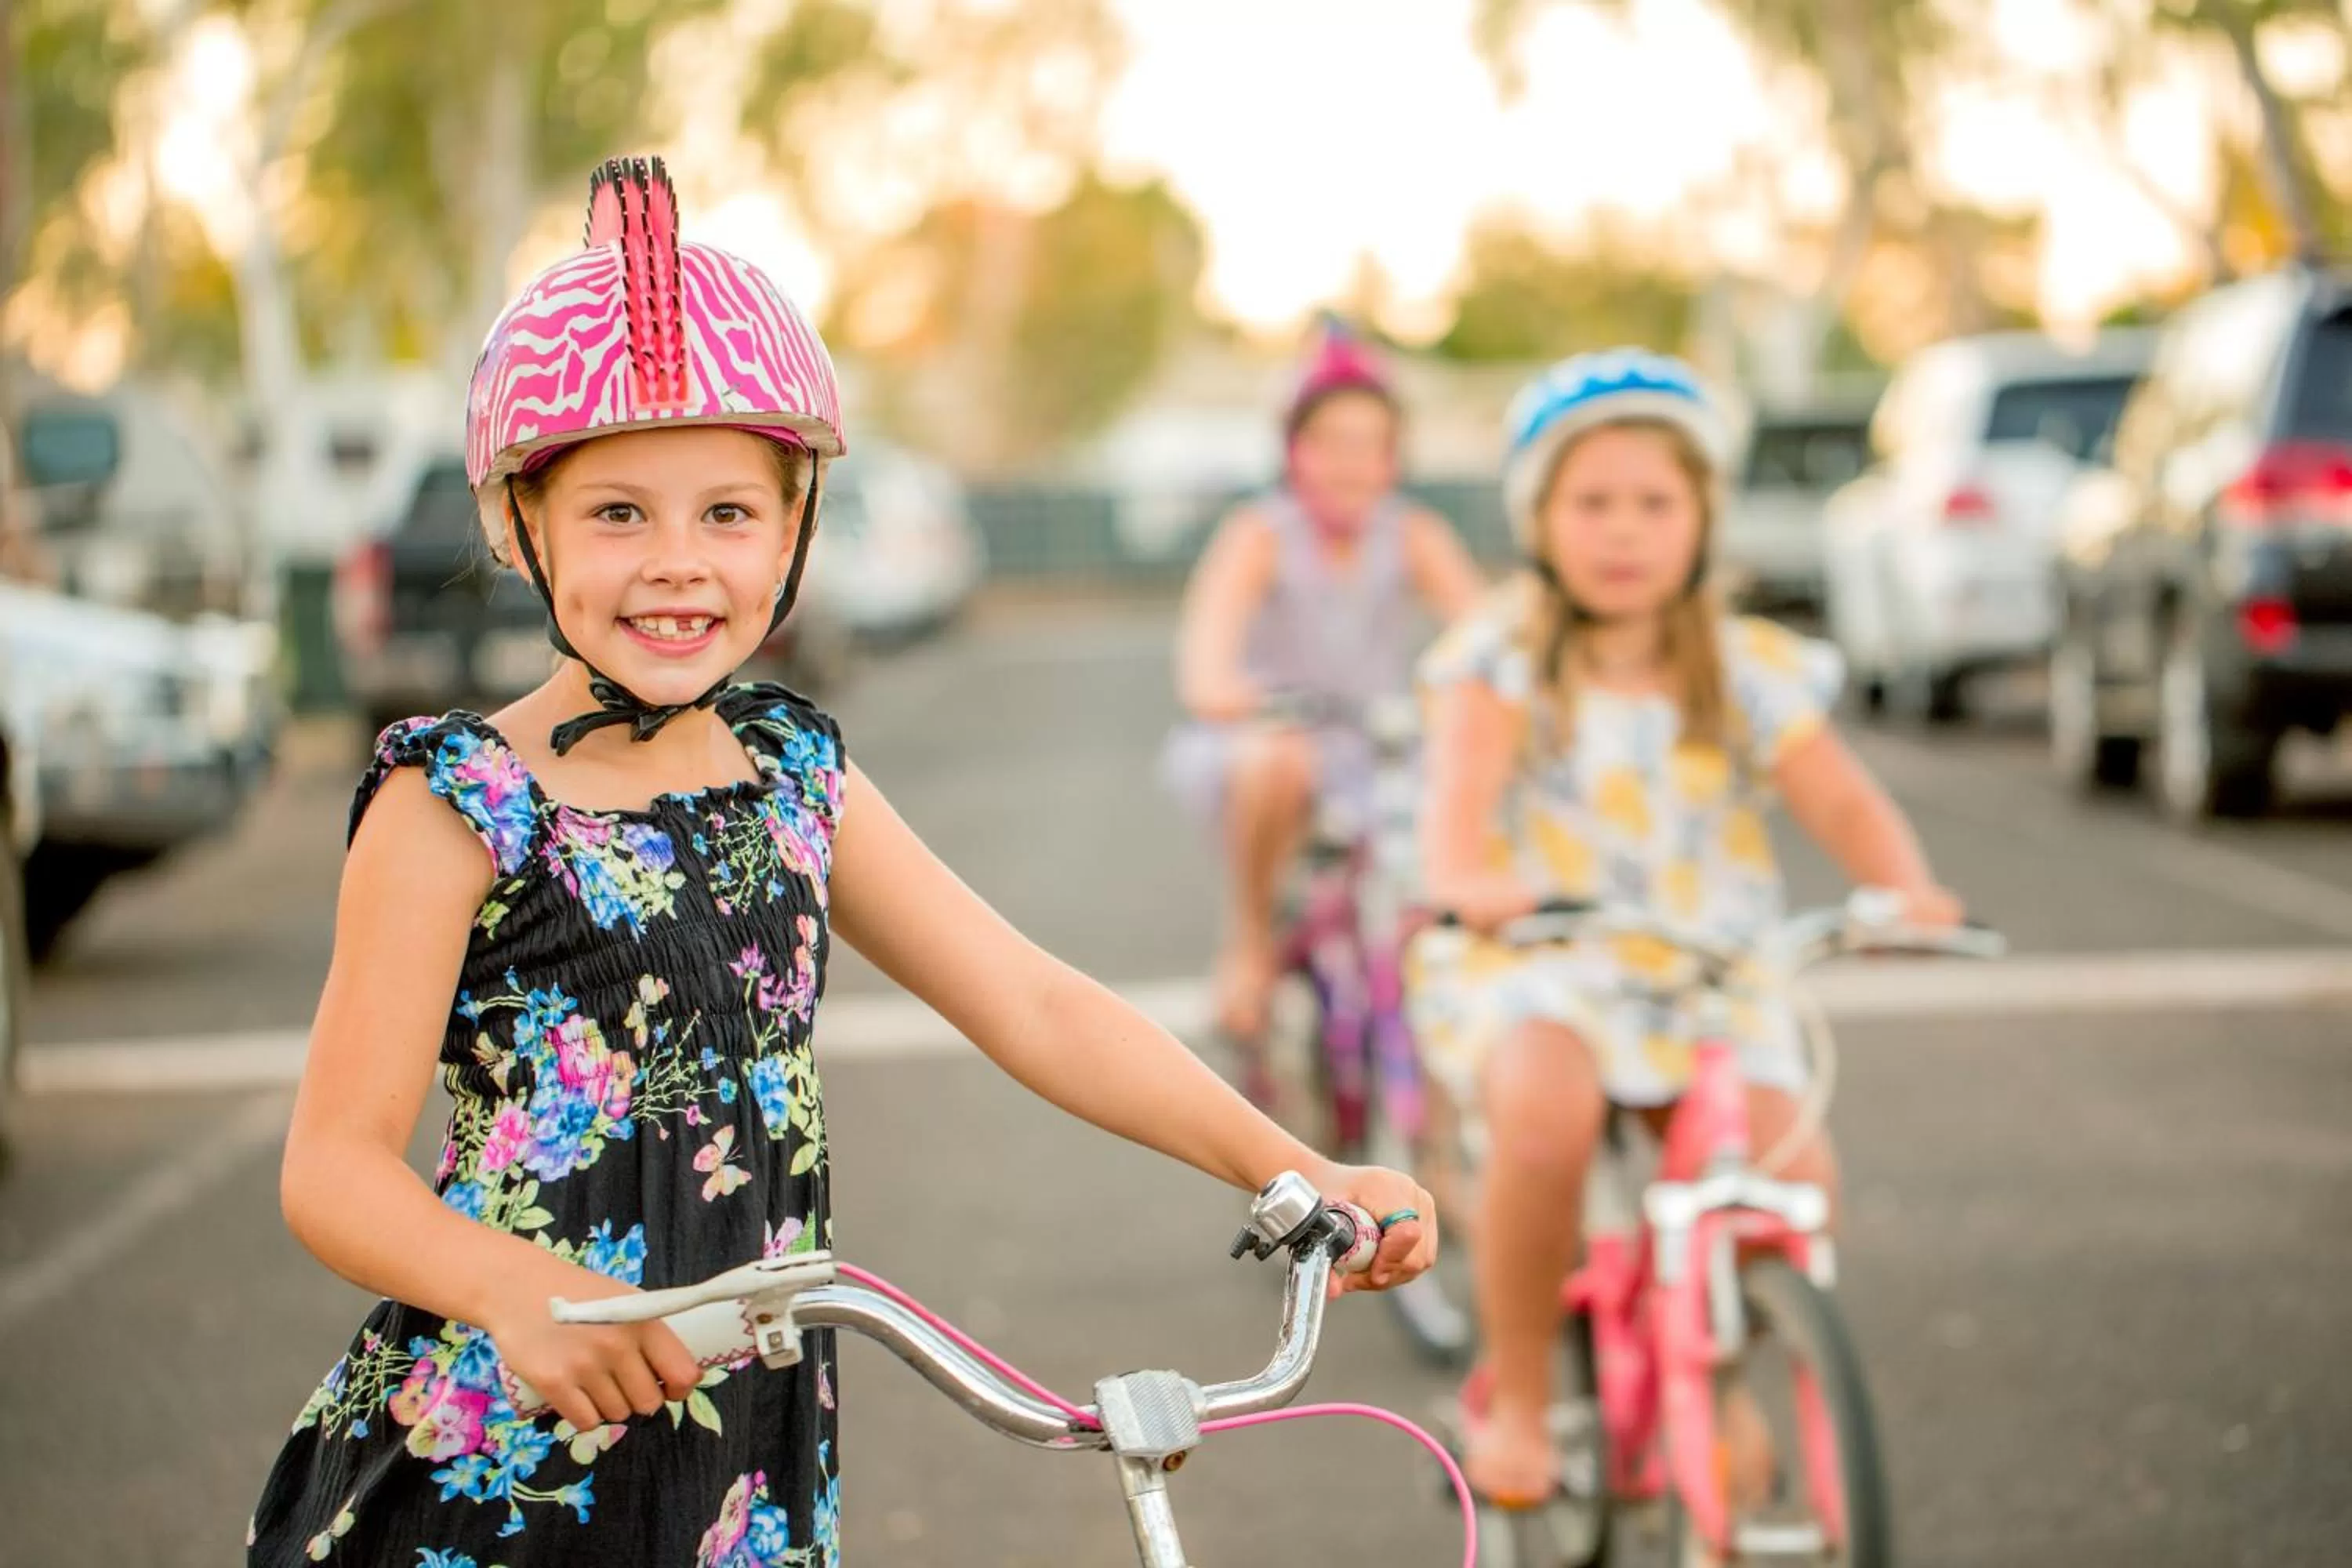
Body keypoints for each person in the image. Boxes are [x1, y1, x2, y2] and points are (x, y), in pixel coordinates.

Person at [249, 157, 1434, 1568]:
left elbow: (1034, 1002)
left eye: (729, 515)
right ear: (526, 525)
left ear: (796, 533)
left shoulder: (793, 774)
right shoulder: (460, 802)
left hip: (741, 1453)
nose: (678, 563)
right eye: (619, 512)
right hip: (498, 1461)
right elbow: (333, 1166)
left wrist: (1300, 1171)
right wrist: (510, 1290)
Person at [1406, 348, 1964, 1506]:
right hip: (1543, 960)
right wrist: (1467, 876)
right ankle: (1515, 1394)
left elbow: (1844, 800)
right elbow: (1455, 809)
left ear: (1703, 517)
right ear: (1539, 523)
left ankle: (1720, 1371)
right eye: (1592, 504)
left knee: (1788, 1176)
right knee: (1547, 1118)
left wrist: (1903, 885)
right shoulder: (1499, 658)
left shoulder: (1750, 667)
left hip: (1709, 972)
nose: (1625, 532)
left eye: (1655, 504)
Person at [1163, 316, 1485, 1054]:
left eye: (1370, 447)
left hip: (1382, 744)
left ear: (1394, 461)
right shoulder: (1260, 534)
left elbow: (1485, 638)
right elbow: (1205, 663)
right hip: (1280, 741)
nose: (1351, 465)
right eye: (1330, 445)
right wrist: (1234, 694)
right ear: (1295, 454)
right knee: (1278, 756)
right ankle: (1248, 943)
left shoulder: (1415, 535)